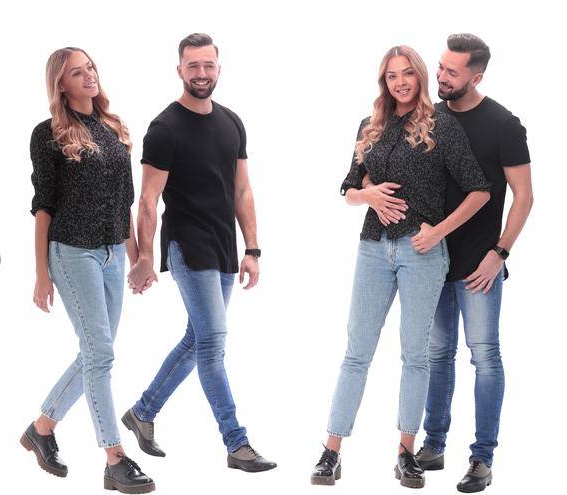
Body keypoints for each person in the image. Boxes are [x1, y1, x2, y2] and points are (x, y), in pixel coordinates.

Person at [312, 45, 491, 489]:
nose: (400, 82)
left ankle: (406, 454)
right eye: (392, 75)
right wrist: (367, 195)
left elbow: (479, 191)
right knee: (356, 353)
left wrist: (438, 232)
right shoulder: (369, 125)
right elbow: (347, 188)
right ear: (384, 82)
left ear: (420, 77)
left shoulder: (442, 126)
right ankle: (330, 451)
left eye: (407, 73)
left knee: (416, 356)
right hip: (374, 249)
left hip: (422, 253)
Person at [122, 33, 277, 475]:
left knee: (198, 339)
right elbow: (148, 200)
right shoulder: (164, 128)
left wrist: (253, 248)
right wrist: (146, 256)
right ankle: (237, 442)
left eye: (208, 65)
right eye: (193, 66)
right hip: (187, 245)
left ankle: (143, 412)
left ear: (219, 68)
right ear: (180, 71)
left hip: (224, 246)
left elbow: (242, 189)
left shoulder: (232, 122)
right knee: (212, 343)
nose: (202, 73)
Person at [21, 46, 154, 494]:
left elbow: (125, 202)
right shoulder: (49, 134)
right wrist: (41, 273)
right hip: (71, 251)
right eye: (78, 73)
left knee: (98, 353)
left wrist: (136, 256)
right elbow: (43, 208)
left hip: (113, 252)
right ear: (61, 83)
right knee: (101, 354)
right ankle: (114, 457)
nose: (89, 76)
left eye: (91, 68)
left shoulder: (113, 129)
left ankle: (41, 428)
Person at [410, 34, 532, 494]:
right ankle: (434, 444)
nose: (440, 76)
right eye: (440, 67)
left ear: (476, 76)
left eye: (452, 72)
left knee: (485, 358)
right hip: (431, 261)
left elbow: (525, 196)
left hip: (479, 265)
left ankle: (482, 458)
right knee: (437, 355)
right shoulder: (430, 117)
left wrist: (499, 252)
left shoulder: (503, 125)